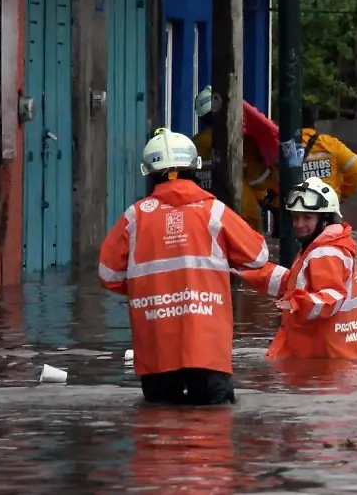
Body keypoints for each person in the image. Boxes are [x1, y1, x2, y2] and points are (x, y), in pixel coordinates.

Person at [98, 127, 284, 405]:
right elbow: (257, 255)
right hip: (208, 349)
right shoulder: (214, 211)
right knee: (212, 430)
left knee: (158, 431)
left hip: (156, 349)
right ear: (195, 167)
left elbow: (108, 274)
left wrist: (150, 290)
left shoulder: (134, 218)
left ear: (148, 172)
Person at [237, 176, 357, 359]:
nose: (299, 225)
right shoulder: (325, 247)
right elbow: (294, 283)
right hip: (337, 358)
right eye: (296, 217)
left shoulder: (325, 252)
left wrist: (297, 303)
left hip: (328, 362)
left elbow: (331, 298)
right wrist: (249, 271)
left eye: (307, 218)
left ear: (325, 220)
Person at [192, 86, 278, 232]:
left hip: (201, 218)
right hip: (242, 219)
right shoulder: (240, 143)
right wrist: (277, 173)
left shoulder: (192, 146)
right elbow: (257, 177)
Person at [300, 105, 357, 201]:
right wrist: (342, 193)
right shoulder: (329, 143)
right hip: (327, 204)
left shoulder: (283, 146)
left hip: (294, 204)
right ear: (314, 124)